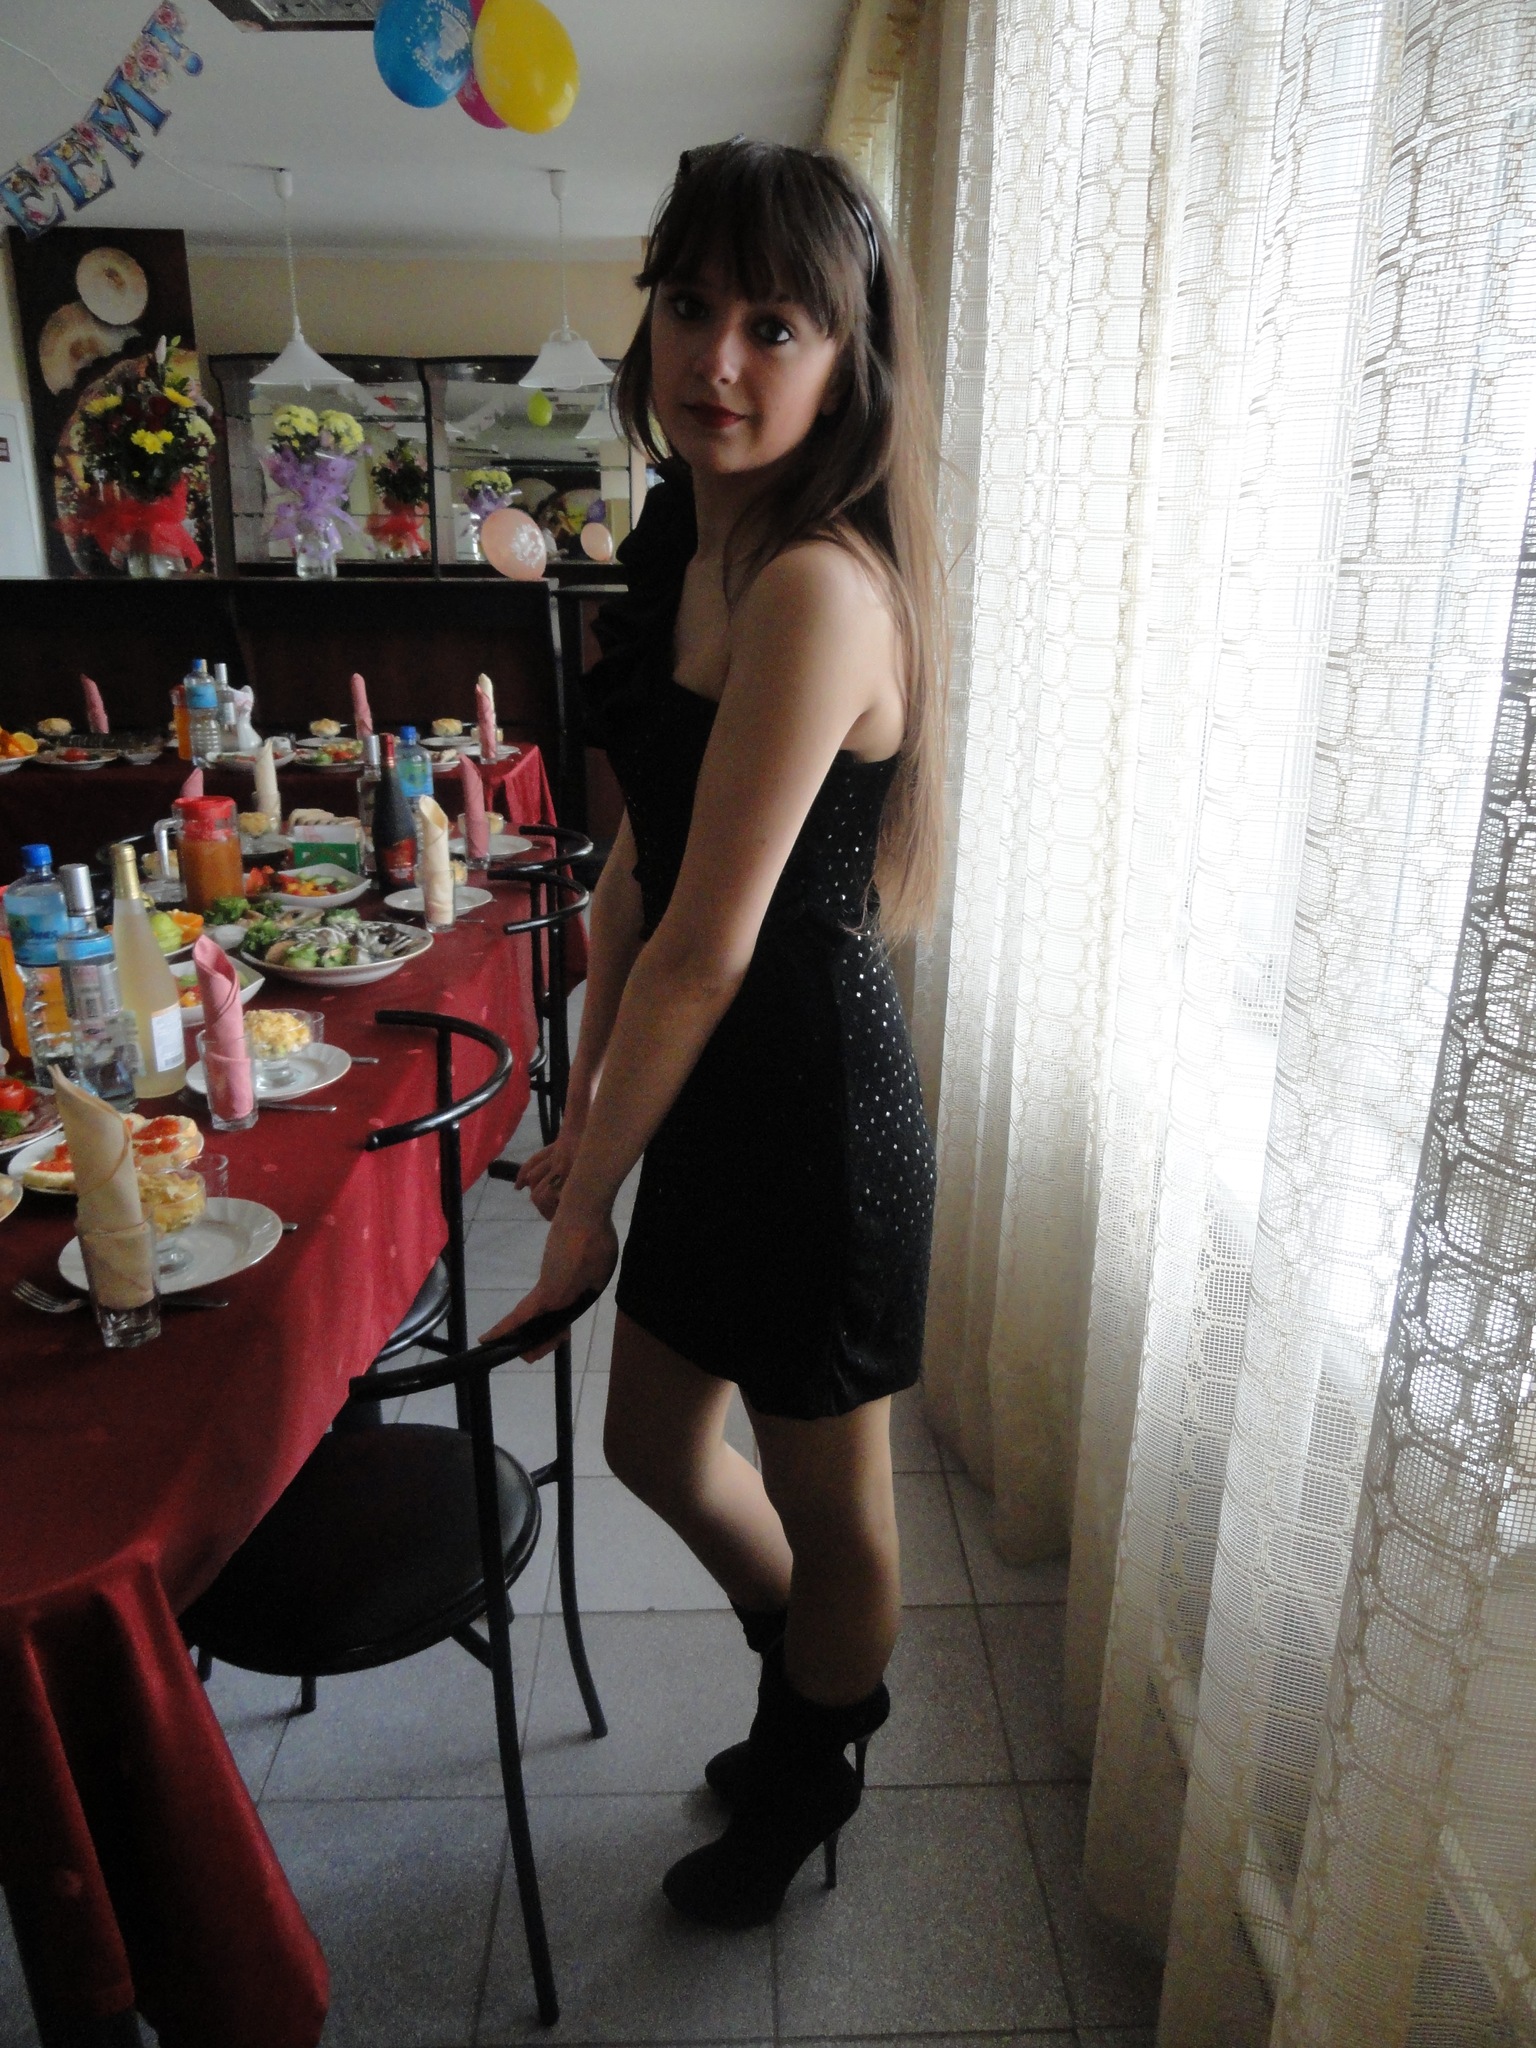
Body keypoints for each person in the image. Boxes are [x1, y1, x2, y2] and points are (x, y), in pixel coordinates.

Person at [486, 137, 945, 1928]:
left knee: (838, 1509)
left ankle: (815, 1756)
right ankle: (810, 1686)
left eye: (776, 326)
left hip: (810, 1108)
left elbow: (707, 946)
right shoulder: (690, 532)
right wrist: (588, 1099)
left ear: (847, 359)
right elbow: (636, 867)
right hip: (706, 1084)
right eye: (689, 306)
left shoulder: (818, 584)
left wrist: (589, 1197)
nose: (718, 360)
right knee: (653, 1447)